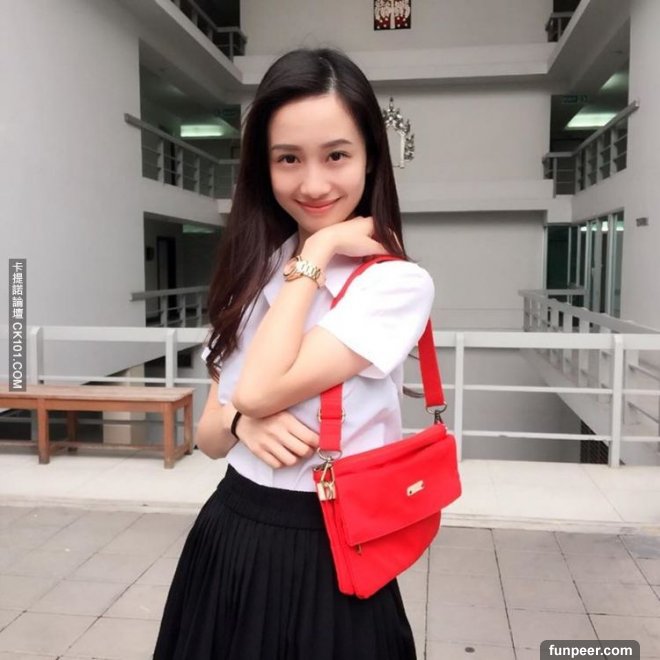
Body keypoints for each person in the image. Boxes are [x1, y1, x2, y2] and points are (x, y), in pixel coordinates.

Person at [153, 47, 434, 660]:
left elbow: (258, 390)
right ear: (265, 167)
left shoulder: (395, 285)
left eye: (336, 155)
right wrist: (239, 422)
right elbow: (210, 436)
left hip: (330, 546)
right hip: (230, 529)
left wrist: (321, 248)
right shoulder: (255, 273)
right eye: (288, 159)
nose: (312, 184)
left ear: (370, 157)